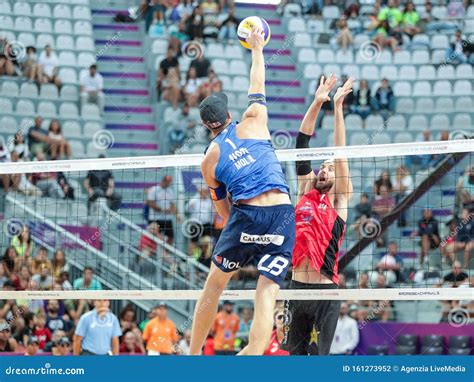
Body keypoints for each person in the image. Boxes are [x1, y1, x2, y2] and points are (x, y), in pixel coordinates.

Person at [190, 27, 295, 356]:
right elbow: (257, 81)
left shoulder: (210, 159)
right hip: (282, 212)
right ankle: (252, 357)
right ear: (229, 115)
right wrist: (257, 47)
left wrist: (241, 230)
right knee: (266, 291)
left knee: (214, 287)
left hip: (247, 215)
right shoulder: (255, 118)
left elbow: (222, 211)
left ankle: (191, 357)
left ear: (208, 126)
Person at [281, 75, 353, 356]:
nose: (324, 169)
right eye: (323, 167)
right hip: (296, 288)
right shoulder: (305, 191)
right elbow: (302, 144)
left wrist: (337, 108)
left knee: (320, 360)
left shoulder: (339, 198)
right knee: (295, 359)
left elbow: (340, 153)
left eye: (330, 168)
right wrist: (316, 103)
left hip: (325, 294)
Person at [146, 175, 177, 244]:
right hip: (155, 218)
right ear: (163, 181)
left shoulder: (170, 191)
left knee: (170, 237)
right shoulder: (154, 190)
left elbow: (173, 205)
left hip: (167, 219)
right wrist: (163, 210)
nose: (168, 183)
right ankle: (154, 252)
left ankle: (166, 253)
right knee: (153, 237)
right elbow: (150, 203)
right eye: (167, 181)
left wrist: (174, 212)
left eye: (169, 182)